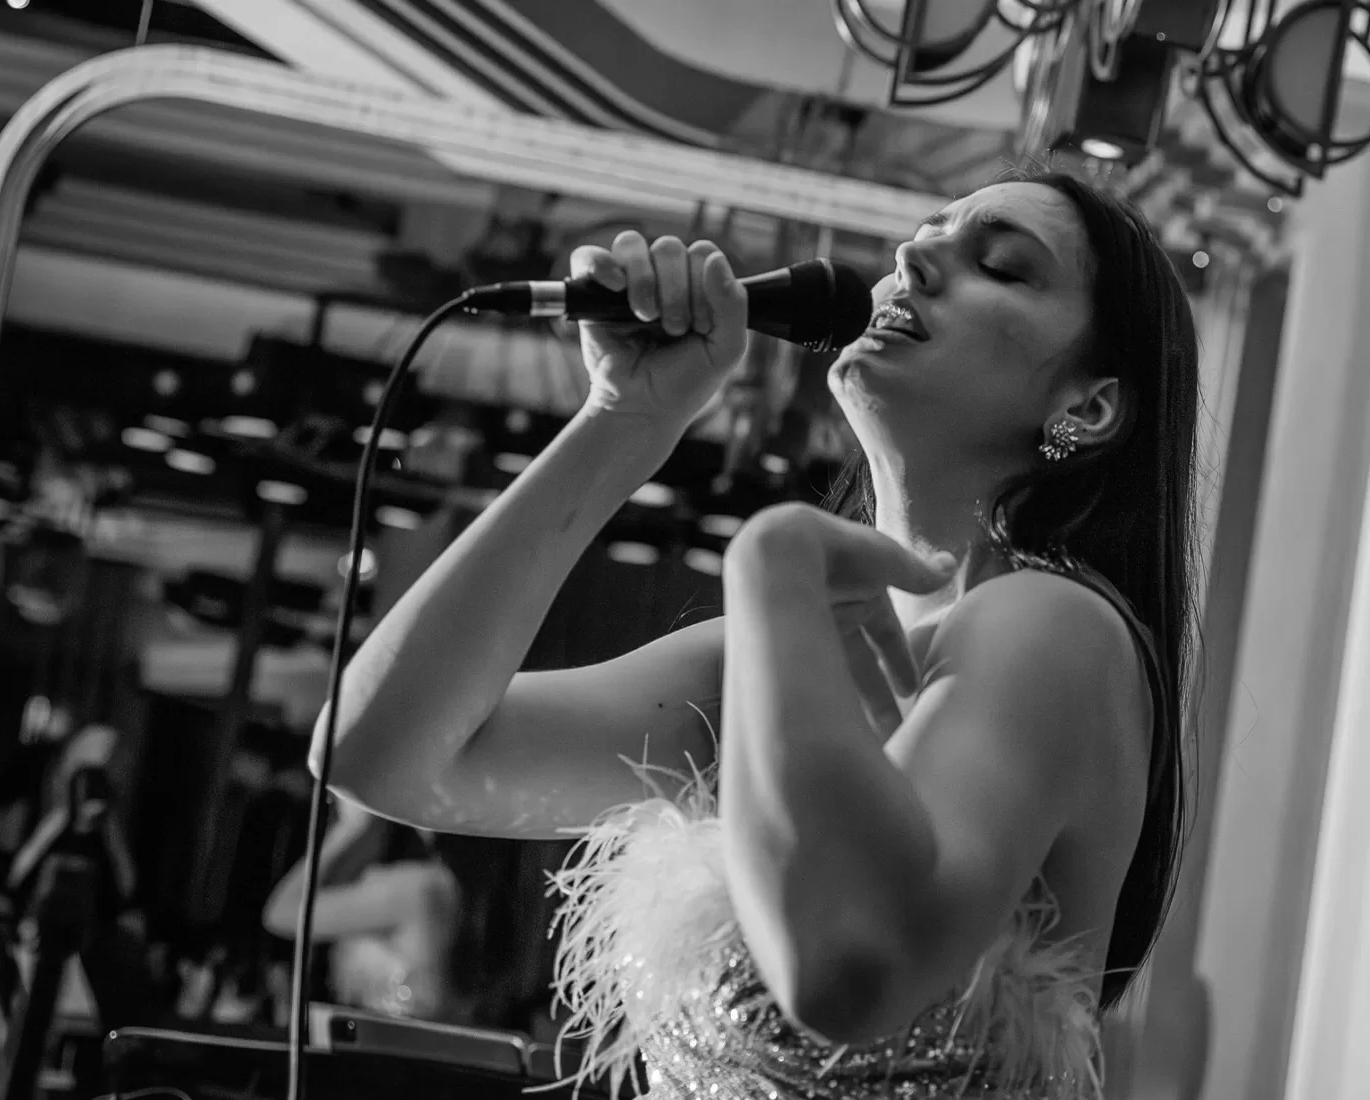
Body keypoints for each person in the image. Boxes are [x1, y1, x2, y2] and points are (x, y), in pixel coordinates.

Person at [315, 169, 1197, 1098]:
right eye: (926, 232)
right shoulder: (768, 664)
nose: (913, 256)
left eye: (1003, 266)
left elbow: (852, 967)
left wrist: (771, 566)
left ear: (1087, 407)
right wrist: (623, 419)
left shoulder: (1052, 624)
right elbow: (381, 755)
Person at [261, 797, 468, 1023]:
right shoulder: (447, 883)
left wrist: (347, 829)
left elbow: (281, 914)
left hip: (388, 1038)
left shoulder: (414, 888)